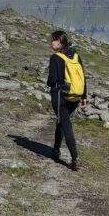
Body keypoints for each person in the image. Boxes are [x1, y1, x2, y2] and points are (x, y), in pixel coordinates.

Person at [46, 30, 87, 170]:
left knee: (65, 124)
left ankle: (75, 159)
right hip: (75, 96)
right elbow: (83, 77)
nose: (51, 42)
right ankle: (56, 150)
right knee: (61, 121)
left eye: (53, 40)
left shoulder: (55, 58)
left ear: (60, 41)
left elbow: (51, 81)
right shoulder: (75, 56)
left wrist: (53, 82)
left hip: (60, 96)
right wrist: (84, 96)